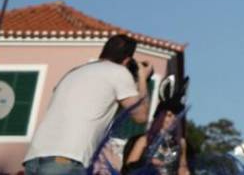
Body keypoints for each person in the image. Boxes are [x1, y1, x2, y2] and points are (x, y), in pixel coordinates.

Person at [22, 35, 152, 175]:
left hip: (35, 155)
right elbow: (141, 116)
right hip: (68, 158)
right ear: (127, 60)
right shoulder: (119, 72)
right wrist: (143, 78)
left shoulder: (74, 72)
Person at [121, 101, 189, 175]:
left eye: (176, 116)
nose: (173, 119)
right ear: (161, 117)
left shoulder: (180, 144)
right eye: (169, 115)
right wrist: (149, 163)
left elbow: (182, 167)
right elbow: (129, 167)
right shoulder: (144, 140)